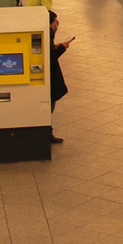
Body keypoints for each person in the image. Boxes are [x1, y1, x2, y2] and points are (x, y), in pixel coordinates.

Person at [47, 10, 70, 144]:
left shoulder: (47, 35)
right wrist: (62, 48)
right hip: (51, 79)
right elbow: (50, 58)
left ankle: (48, 133)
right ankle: (47, 134)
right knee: (48, 108)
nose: (58, 23)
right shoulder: (47, 36)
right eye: (55, 21)